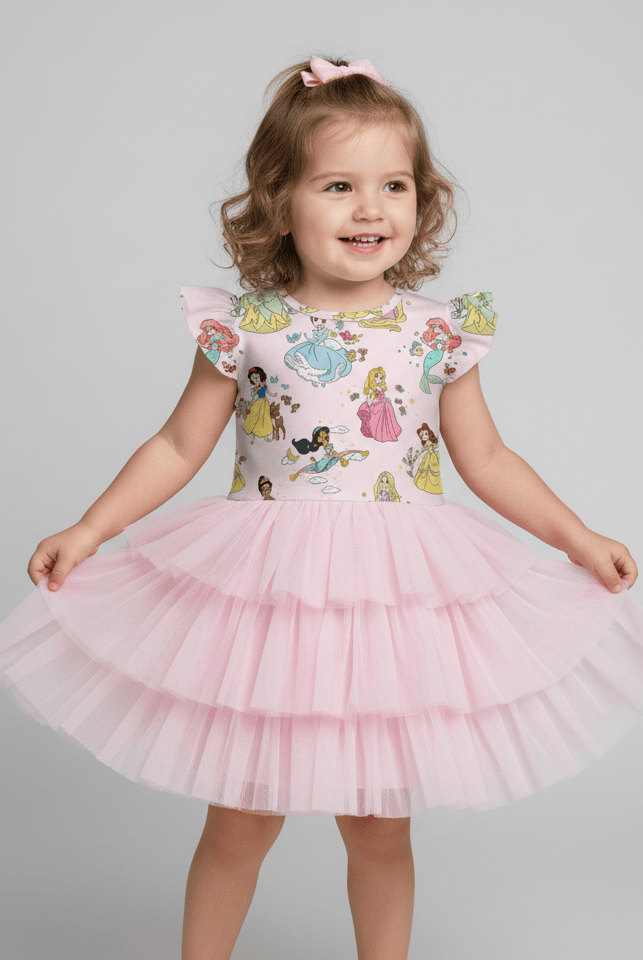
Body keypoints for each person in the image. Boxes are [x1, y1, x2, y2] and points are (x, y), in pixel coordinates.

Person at [0, 53, 642, 960]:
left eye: (393, 186)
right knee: (239, 817)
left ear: (421, 199)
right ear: (278, 201)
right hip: (271, 593)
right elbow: (178, 445)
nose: (369, 208)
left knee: (379, 825)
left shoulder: (435, 331)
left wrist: (575, 537)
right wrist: (90, 529)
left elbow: (487, 458)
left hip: (392, 599)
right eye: (338, 185)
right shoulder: (247, 326)